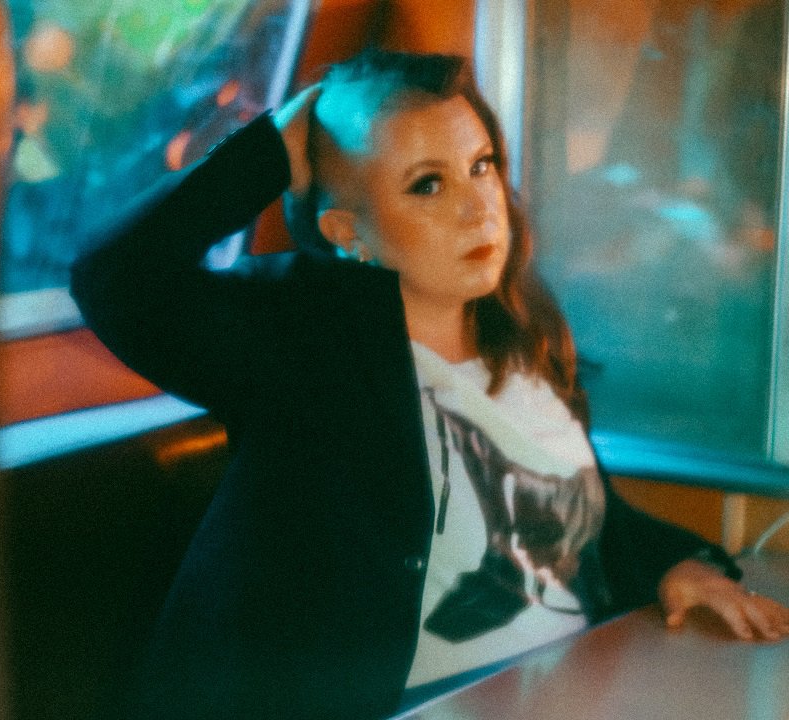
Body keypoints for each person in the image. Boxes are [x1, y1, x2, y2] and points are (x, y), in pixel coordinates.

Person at [70, 49, 789, 720]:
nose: (480, 207)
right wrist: (267, 153)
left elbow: (571, 512)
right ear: (348, 231)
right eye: (428, 184)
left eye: (481, 165)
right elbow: (115, 280)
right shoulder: (303, 346)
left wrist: (676, 566)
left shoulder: (523, 332)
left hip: (563, 683)